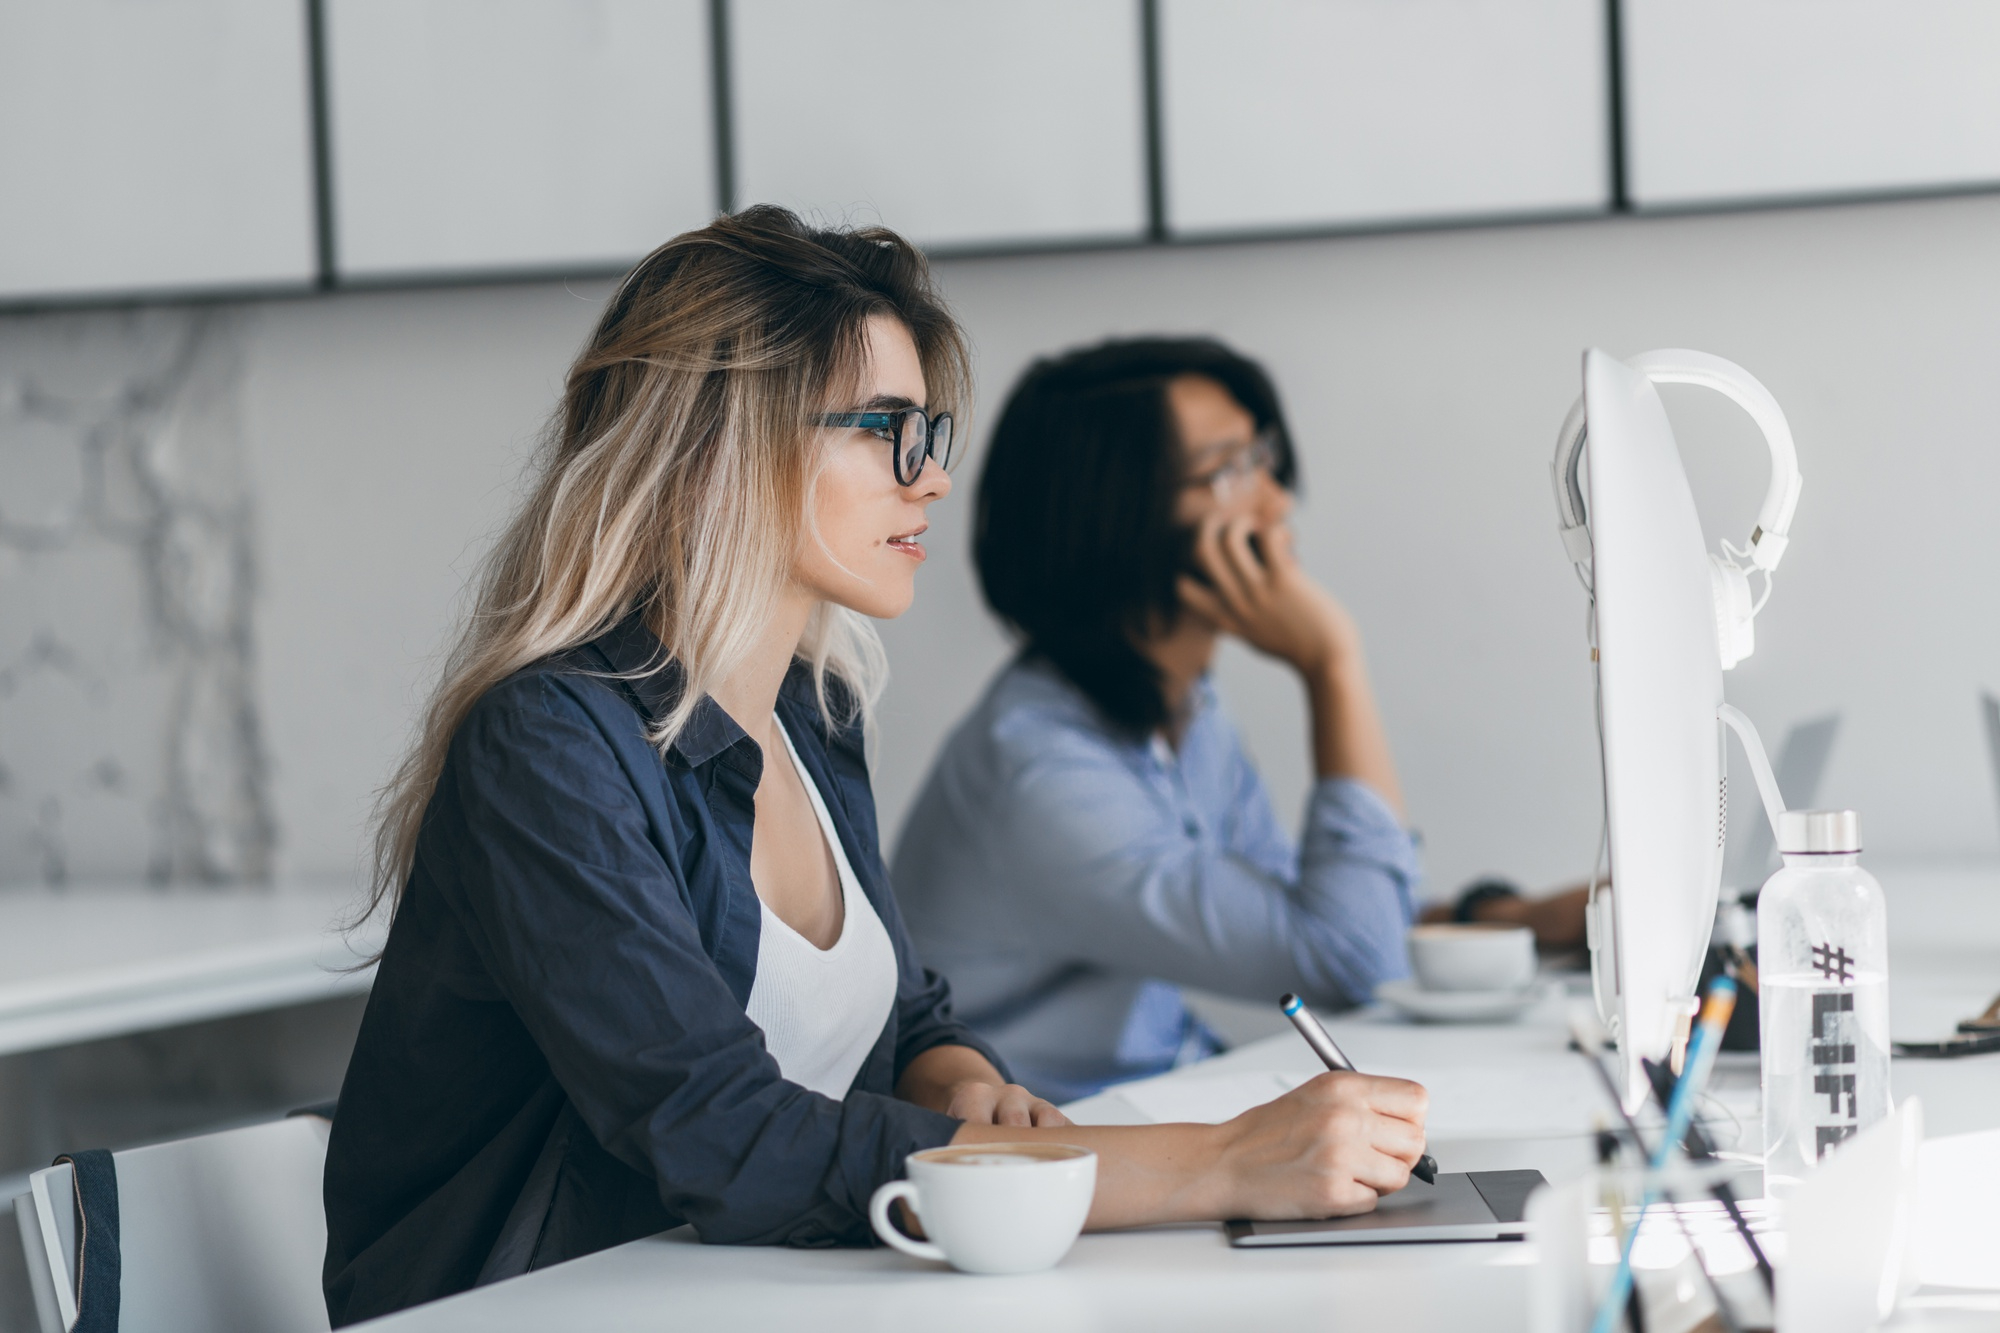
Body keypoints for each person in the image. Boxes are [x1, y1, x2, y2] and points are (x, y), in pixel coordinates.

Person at [321, 212, 1429, 1325]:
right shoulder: (549, 746)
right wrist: (1219, 1163)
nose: (931, 479)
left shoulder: (812, 708)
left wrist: (954, 1080)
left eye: (927, 433)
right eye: (886, 429)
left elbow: (899, 1012)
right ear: (725, 445)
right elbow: (725, 1133)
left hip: (739, 1296)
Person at [892, 338, 1423, 1101]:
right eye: (1232, 470)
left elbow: (1310, 902)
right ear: (1111, 515)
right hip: (1049, 1164)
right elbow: (1351, 958)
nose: (1278, 502)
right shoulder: (1041, 772)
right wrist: (1332, 665)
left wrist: (1513, 916)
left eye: (1265, 458)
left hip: (1158, 1102)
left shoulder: (1184, 709)